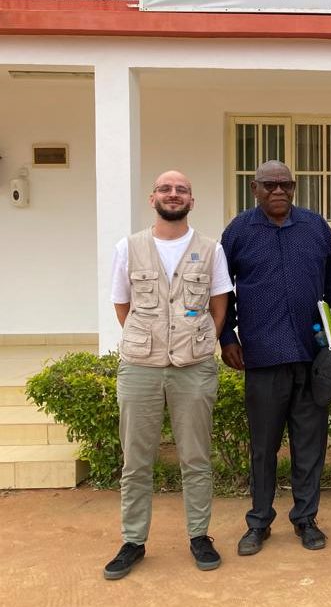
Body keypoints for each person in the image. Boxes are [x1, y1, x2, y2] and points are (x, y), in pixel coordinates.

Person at [103, 170, 232, 580]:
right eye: (165, 188)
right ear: (152, 198)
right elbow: (123, 306)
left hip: (193, 367)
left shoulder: (211, 249)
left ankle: (199, 535)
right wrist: (150, 340)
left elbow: (218, 304)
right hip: (140, 366)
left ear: (192, 201)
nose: (173, 194)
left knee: (195, 458)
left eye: (181, 190)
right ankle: (133, 541)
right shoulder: (128, 247)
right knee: (136, 460)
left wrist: (197, 340)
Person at [220, 160, 331, 556]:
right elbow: (221, 292)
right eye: (270, 185)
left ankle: (306, 519)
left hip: (312, 358)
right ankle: (259, 521)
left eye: (286, 185)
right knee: (263, 446)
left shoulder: (316, 227)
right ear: (254, 189)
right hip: (261, 358)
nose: (279, 191)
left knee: (310, 445)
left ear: (294, 188)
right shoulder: (238, 232)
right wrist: (226, 336)